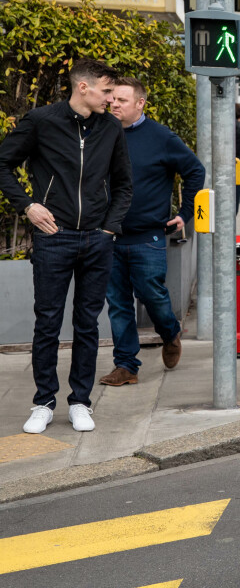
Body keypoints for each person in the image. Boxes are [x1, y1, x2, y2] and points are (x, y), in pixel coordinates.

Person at [0, 59, 132, 434]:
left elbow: (123, 183)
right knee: (48, 322)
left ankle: (80, 402)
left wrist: (109, 228)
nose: (112, 99)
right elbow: (2, 164)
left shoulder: (110, 128)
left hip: (96, 239)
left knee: (87, 324)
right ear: (84, 87)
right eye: (107, 92)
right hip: (53, 236)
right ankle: (43, 401)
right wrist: (28, 205)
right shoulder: (42, 121)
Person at [99, 78, 204, 387]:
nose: (114, 104)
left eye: (122, 100)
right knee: (118, 304)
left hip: (148, 236)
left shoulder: (161, 138)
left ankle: (170, 332)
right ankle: (126, 366)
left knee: (152, 296)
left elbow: (195, 170)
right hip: (109, 236)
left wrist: (185, 214)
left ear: (140, 103)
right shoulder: (101, 134)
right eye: (112, 99)